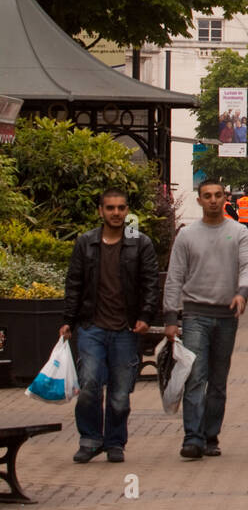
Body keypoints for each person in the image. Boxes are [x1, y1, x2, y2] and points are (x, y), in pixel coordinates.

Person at [60, 188, 159, 464]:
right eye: (110, 208)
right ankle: (90, 439)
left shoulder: (140, 243)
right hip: (92, 326)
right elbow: (74, 283)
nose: (116, 213)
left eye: (121, 208)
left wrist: (145, 316)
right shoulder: (86, 242)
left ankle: (115, 442)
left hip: (126, 330)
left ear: (127, 211)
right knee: (90, 383)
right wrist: (68, 320)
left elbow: (150, 284)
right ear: (101, 211)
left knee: (119, 394)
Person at [163, 179, 248, 460]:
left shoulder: (238, 232)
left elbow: (247, 265)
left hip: (227, 315)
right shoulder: (187, 235)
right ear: (199, 200)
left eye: (218, 195)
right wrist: (170, 315)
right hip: (195, 314)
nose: (213, 200)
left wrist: (242, 293)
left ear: (224, 199)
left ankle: (211, 435)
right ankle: (192, 437)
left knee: (218, 380)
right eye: (207, 196)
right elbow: (175, 276)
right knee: (195, 376)